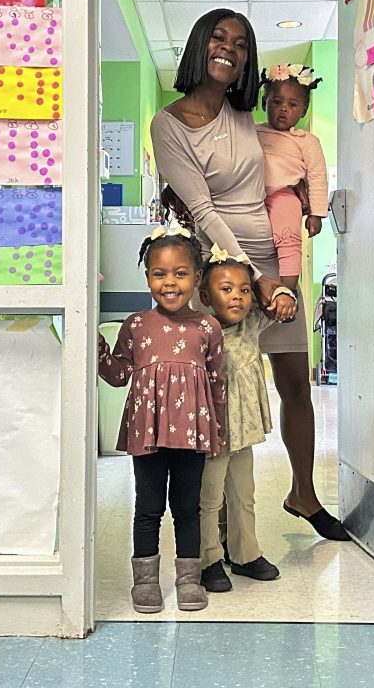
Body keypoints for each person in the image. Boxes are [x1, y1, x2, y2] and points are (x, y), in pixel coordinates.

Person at [150, 7, 350, 542]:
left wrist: (307, 212)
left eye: (241, 44)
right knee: (219, 392)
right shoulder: (167, 124)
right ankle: (214, 528)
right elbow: (203, 208)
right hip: (221, 270)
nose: (230, 49)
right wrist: (246, 273)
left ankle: (303, 494)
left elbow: (290, 166)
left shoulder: (245, 115)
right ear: (198, 44)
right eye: (219, 38)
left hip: (278, 264)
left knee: (294, 384)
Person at [97, 226, 226, 614]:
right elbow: (119, 374)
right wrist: (95, 344)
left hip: (192, 434)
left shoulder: (208, 328)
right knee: (148, 507)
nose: (169, 283)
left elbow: (218, 383)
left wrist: (216, 430)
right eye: (159, 274)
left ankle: (189, 579)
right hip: (146, 433)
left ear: (197, 278)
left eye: (180, 273)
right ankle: (146, 581)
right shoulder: (136, 325)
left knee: (187, 507)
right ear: (148, 276)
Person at [196, 247, 291, 592]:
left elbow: (282, 306)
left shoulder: (251, 324)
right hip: (211, 434)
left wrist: (277, 291)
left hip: (244, 431)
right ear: (205, 296)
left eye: (244, 289)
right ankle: (207, 559)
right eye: (226, 289)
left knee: (243, 493)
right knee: (208, 499)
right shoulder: (198, 331)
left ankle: (245, 553)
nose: (236, 296)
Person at [256, 64, 328, 292]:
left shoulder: (307, 141)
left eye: (292, 104)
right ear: (263, 103)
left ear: (304, 110)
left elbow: (317, 177)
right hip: (250, 195)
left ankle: (286, 287)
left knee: (287, 239)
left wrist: (316, 214)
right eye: (276, 102)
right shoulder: (253, 131)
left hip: (284, 195)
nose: (283, 109)